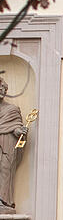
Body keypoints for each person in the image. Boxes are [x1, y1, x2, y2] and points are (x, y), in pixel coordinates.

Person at [0, 77, 26, 211]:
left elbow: (15, 126)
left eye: (2, 89)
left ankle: (3, 201)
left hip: (6, 144)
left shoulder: (12, 109)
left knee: (5, 169)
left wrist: (18, 131)